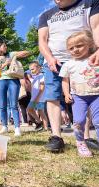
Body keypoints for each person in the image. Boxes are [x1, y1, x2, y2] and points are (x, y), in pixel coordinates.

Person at [38, 0, 99, 152]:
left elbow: (96, 27)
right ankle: (56, 136)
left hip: (85, 59)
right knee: (52, 95)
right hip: (55, 61)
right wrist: (49, 58)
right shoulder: (46, 15)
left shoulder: (90, 3)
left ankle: (85, 137)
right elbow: (42, 40)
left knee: (88, 94)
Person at [60, 30, 99, 157]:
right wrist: (66, 94)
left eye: (79, 45)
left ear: (89, 44)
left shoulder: (95, 58)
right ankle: (80, 143)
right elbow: (65, 81)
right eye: (71, 48)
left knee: (98, 120)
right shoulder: (68, 65)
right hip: (78, 96)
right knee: (79, 120)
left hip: (96, 95)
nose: (75, 50)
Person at [0, 39, 30, 136]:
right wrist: (4, 64)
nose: (6, 47)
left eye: (6, 46)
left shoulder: (11, 54)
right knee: (2, 105)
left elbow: (27, 52)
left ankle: (17, 128)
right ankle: (4, 126)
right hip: (0, 81)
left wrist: (17, 55)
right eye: (4, 46)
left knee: (13, 105)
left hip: (13, 80)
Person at [26, 61, 48, 131]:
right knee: (29, 109)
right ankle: (39, 122)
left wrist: (37, 98)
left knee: (41, 111)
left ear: (38, 68)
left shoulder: (41, 76)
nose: (31, 71)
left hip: (39, 98)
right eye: (30, 70)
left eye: (33, 69)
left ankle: (46, 127)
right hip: (34, 98)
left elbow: (42, 88)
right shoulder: (35, 77)